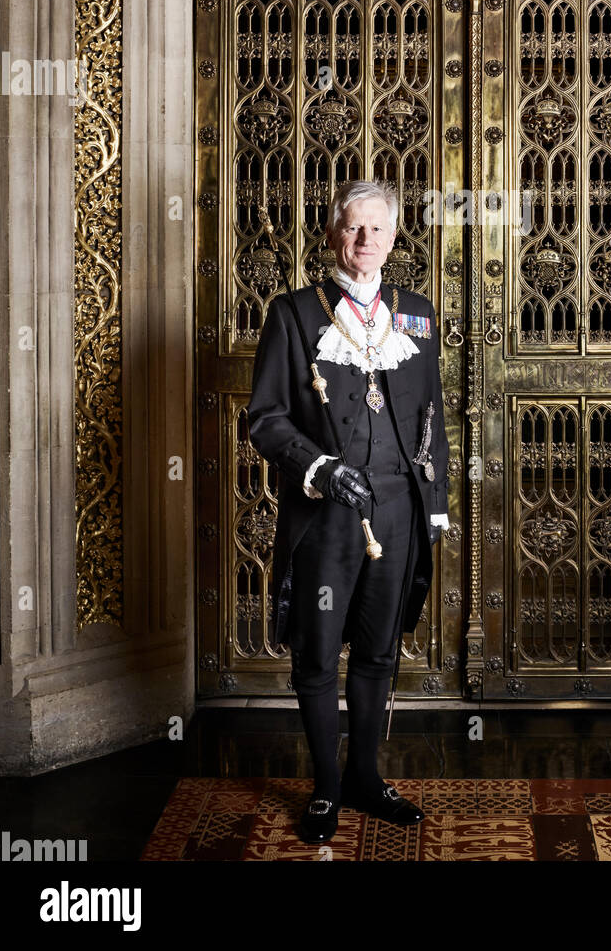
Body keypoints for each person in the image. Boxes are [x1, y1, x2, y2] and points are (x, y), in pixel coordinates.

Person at [247, 178, 450, 843]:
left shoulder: (416, 312)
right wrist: (320, 469)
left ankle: (364, 775)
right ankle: (326, 789)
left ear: (395, 238)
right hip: (326, 516)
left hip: (397, 508)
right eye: (354, 228)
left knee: (377, 653)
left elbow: (431, 419)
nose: (366, 241)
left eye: (379, 230)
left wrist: (437, 505)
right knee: (317, 658)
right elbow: (265, 419)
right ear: (334, 233)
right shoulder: (294, 313)